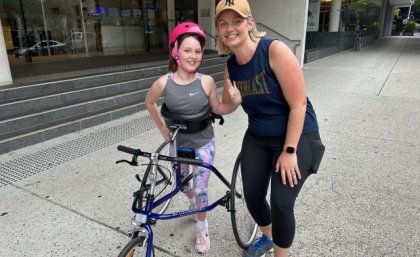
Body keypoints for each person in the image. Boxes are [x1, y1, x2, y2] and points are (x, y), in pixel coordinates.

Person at [215, 1, 325, 257]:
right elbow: (226, 106)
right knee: (252, 196)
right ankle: (267, 236)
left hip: (297, 134)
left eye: (237, 21)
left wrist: (289, 151)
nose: (230, 28)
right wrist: (223, 100)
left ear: (250, 23)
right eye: (223, 23)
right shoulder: (230, 66)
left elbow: (298, 104)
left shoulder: (274, 51)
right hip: (258, 135)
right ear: (219, 30)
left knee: (281, 204)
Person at [145, 21, 238, 254]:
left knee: (200, 190)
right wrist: (163, 132)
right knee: (182, 185)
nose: (193, 56)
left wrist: (234, 104)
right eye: (187, 50)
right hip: (179, 144)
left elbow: (218, 108)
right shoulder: (163, 83)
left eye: (197, 51)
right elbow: (149, 102)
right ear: (175, 52)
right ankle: (195, 203)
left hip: (203, 144)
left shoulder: (205, 81)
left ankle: (202, 227)